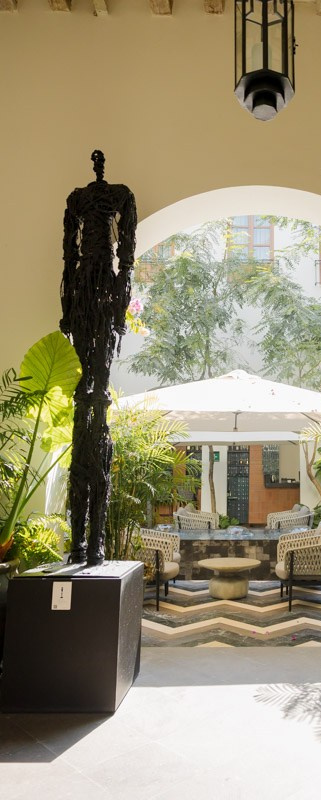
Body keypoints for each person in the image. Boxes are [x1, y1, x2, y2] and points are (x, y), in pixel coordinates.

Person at [60, 150, 137, 565]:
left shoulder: (121, 195)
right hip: (87, 293)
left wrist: (118, 310)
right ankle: (80, 543)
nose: (97, 163)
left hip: (102, 291)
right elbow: (69, 259)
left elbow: (126, 258)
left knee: (97, 397)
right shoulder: (76, 200)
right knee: (83, 397)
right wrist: (69, 309)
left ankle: (94, 544)